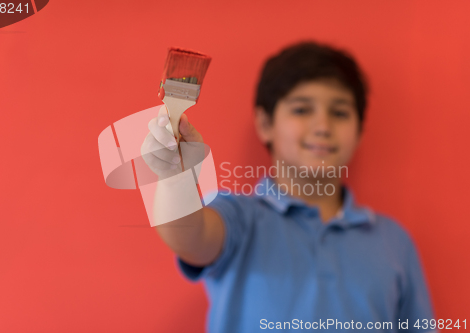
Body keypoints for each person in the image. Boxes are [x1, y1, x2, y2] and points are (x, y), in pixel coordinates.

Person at [143, 41, 436, 333]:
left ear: (360, 130)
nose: (322, 126)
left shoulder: (395, 242)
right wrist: (175, 180)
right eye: (301, 110)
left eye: (340, 113)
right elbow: (187, 236)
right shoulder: (239, 218)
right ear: (265, 123)